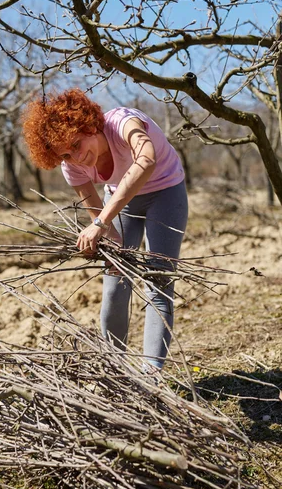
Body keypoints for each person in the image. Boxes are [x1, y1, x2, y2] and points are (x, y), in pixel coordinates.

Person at [22, 88, 188, 370]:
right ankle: (116, 371)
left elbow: (145, 159)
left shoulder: (123, 123)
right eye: (65, 154)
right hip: (121, 201)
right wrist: (107, 238)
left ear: (88, 124)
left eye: (76, 144)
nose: (75, 157)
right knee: (115, 283)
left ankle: (152, 377)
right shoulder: (72, 168)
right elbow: (101, 221)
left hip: (165, 193)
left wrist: (99, 224)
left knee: (157, 282)